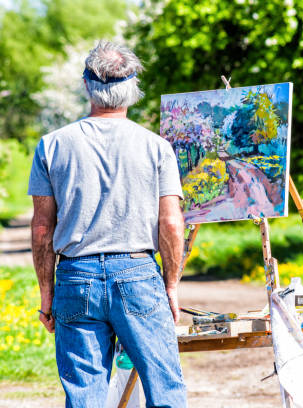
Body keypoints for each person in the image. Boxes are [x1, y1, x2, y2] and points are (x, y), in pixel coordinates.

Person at [28, 40, 187, 407]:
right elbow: (171, 224)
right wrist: (172, 286)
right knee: (165, 390)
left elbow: (41, 229)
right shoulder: (156, 147)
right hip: (137, 273)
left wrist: (46, 292)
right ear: (133, 89)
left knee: (85, 396)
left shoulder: (51, 145)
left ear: (87, 85)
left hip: (76, 275)